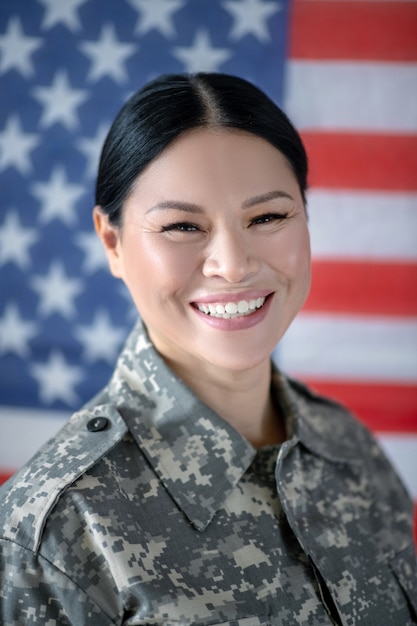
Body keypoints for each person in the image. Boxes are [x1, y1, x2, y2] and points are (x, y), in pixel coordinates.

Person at [0, 73, 416, 626]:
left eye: (267, 217)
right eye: (181, 226)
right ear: (112, 243)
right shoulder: (55, 530)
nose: (233, 263)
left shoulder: (348, 448)